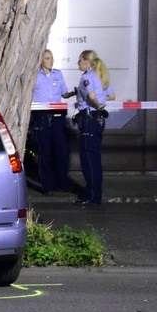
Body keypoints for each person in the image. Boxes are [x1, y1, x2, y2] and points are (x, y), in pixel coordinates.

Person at [67, 49, 110, 206]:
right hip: (96, 121)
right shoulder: (96, 76)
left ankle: (91, 197)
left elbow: (91, 96)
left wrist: (98, 106)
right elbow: (110, 95)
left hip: (89, 121)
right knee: (94, 158)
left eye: (79, 60)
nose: (78, 63)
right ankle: (95, 194)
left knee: (88, 160)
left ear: (86, 61)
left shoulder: (86, 77)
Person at [29, 49, 70, 195]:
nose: (50, 60)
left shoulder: (58, 74)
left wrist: (75, 93)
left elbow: (65, 92)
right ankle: (48, 186)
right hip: (41, 116)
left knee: (61, 151)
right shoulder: (35, 76)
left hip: (58, 116)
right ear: (41, 60)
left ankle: (61, 183)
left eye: (52, 58)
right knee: (44, 152)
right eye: (47, 58)